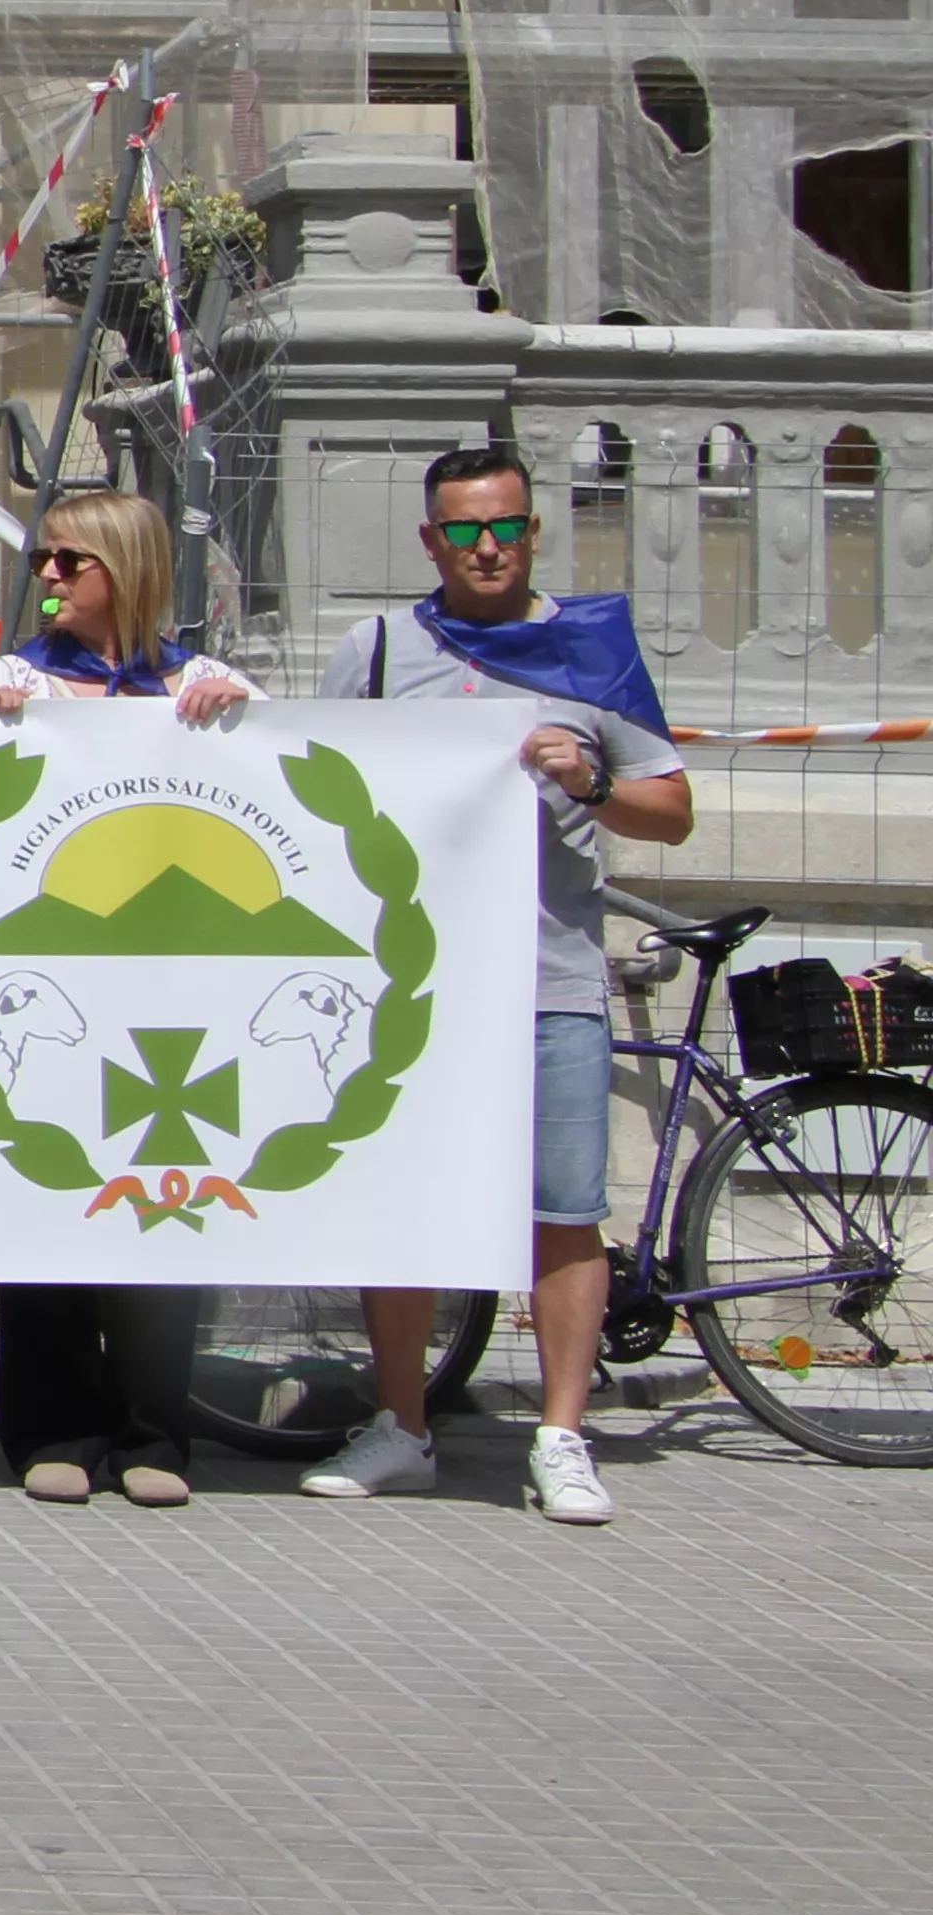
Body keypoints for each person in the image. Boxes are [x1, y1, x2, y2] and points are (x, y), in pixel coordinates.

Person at [295, 443, 690, 1527]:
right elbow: (311, 781)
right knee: (405, 1203)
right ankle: (402, 1427)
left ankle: (561, 1437)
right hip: (415, 981)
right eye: (464, 528)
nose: (486, 546)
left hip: (547, 977)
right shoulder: (378, 650)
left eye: (504, 526)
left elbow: (672, 808)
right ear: (430, 540)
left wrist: (592, 780)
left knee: (564, 1212)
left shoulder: (590, 648)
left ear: (533, 531)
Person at [0, 487, 260, 1507]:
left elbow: (280, 786)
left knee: (164, 1207)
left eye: (69, 561)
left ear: (127, 569)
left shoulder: (204, 686)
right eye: (42, 558)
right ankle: (52, 1427)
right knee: (45, 1192)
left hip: (175, 1000)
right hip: (47, 988)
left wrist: (242, 725)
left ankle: (152, 1432)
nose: (46, 576)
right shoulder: (4, 682)